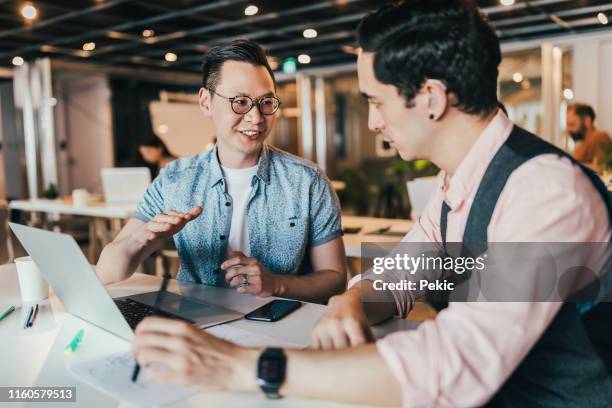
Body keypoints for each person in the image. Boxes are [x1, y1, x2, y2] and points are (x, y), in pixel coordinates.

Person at [131, 1, 612, 406]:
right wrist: (352, 300)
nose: (373, 123)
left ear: (431, 98)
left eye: (376, 102)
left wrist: (246, 366)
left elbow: (459, 362)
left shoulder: (545, 191)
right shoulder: (459, 183)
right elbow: (403, 273)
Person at [97, 39, 346, 304]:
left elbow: (335, 278)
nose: (256, 118)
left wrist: (277, 284)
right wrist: (142, 239)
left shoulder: (308, 181)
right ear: (206, 102)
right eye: (240, 102)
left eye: (266, 102)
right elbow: (107, 271)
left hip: (280, 325)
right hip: (195, 323)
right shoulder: (174, 179)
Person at [567, 102, 611, 171]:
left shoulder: (600, 137)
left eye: (572, 124)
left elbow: (601, 168)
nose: (568, 129)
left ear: (587, 120)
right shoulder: (583, 142)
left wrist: (571, 165)